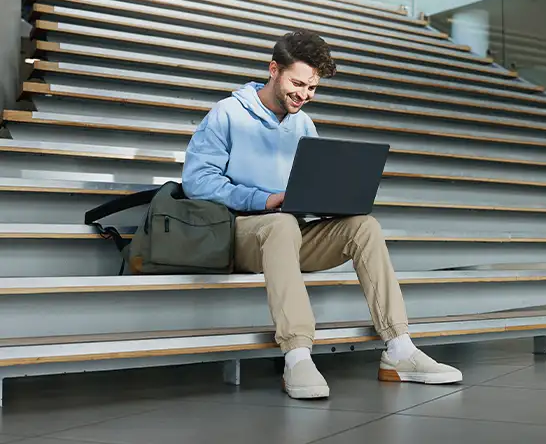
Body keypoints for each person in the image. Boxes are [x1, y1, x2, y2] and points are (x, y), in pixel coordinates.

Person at [181, 29, 462, 399]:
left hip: (291, 234)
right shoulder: (228, 113)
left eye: (312, 88)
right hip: (240, 234)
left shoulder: (304, 125)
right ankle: (297, 355)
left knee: (363, 226)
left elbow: (308, 186)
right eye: (297, 83)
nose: (304, 95)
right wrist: (262, 200)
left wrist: (334, 201)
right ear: (273, 70)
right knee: (281, 224)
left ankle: (400, 349)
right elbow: (196, 182)